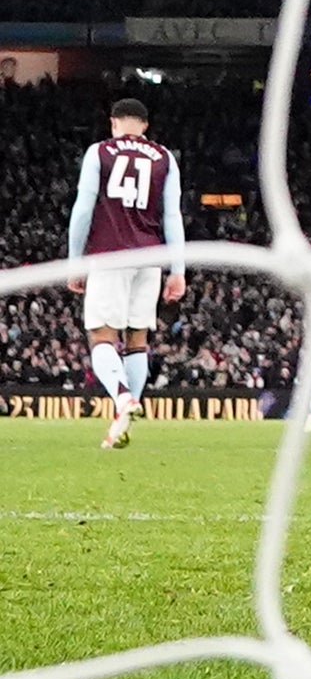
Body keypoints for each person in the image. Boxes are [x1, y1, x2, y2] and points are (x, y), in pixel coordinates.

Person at [68, 95, 184, 450]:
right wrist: (177, 269)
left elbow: (84, 207)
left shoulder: (99, 152)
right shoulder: (165, 157)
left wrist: (76, 259)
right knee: (137, 340)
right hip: (149, 257)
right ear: (145, 126)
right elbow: (172, 216)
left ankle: (122, 398)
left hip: (109, 252)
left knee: (102, 336)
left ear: (113, 122)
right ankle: (123, 424)